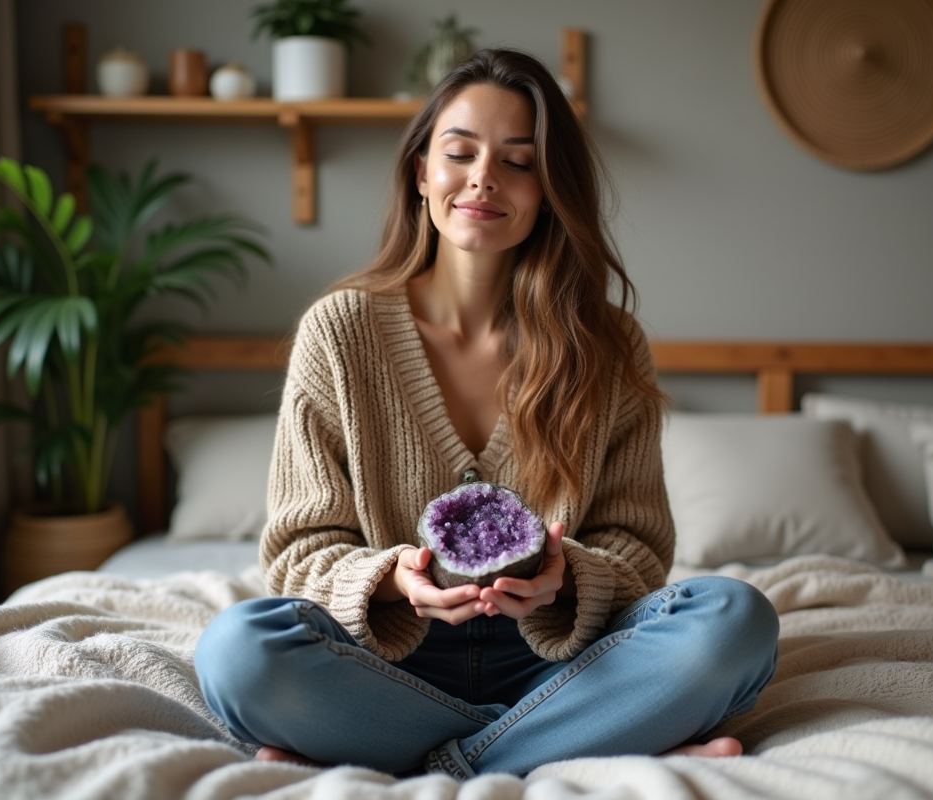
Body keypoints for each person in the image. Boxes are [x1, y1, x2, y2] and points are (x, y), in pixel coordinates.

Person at [194, 48, 779, 780]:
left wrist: (565, 579)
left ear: (548, 189)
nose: (483, 179)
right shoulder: (340, 332)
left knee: (737, 621)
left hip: (563, 659)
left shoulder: (606, 344)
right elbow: (296, 552)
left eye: (519, 160)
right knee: (236, 652)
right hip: (383, 657)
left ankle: (425, 753)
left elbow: (638, 545)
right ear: (421, 173)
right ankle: (591, 739)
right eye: (460, 152)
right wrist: (393, 583)